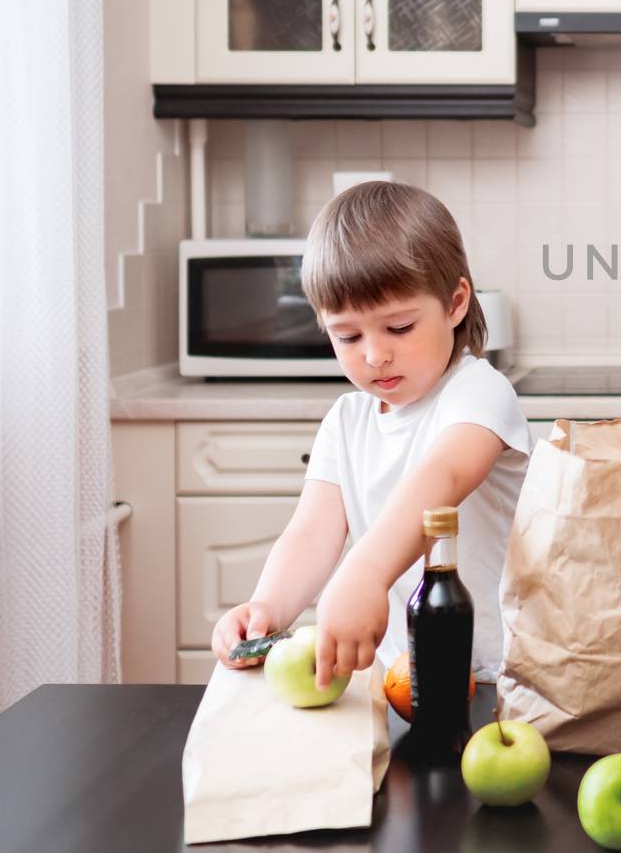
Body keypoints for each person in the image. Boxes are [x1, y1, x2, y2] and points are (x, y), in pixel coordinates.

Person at [210, 180, 531, 688]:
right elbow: (310, 533)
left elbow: (442, 478)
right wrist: (266, 606)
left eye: (399, 328)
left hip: (498, 676)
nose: (374, 355)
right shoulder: (346, 421)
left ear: (455, 303)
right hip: (402, 678)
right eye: (348, 335)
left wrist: (364, 573)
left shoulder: (479, 392)